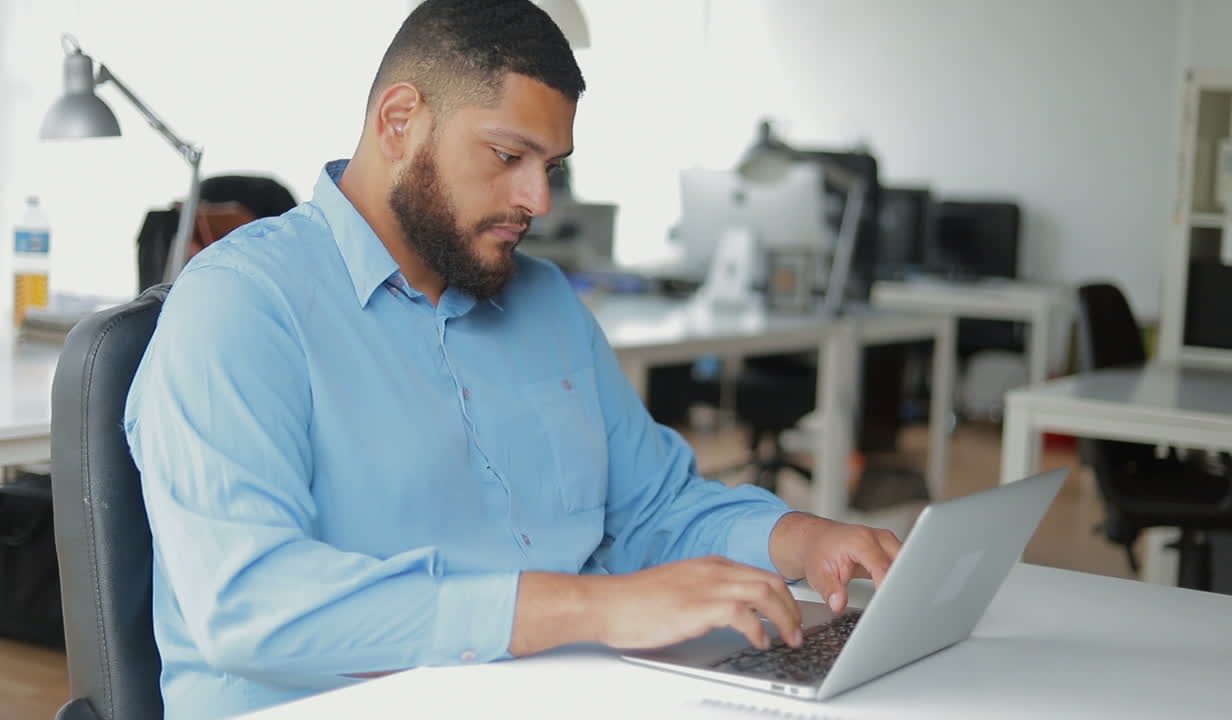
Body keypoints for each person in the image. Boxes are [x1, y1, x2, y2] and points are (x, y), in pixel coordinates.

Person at [125, 1, 902, 717]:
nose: (539, 200)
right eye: (508, 156)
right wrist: (592, 606)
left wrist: (801, 540)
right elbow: (249, 602)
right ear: (399, 120)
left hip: (558, 691)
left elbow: (653, 507)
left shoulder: (546, 301)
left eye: (550, 166)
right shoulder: (241, 305)